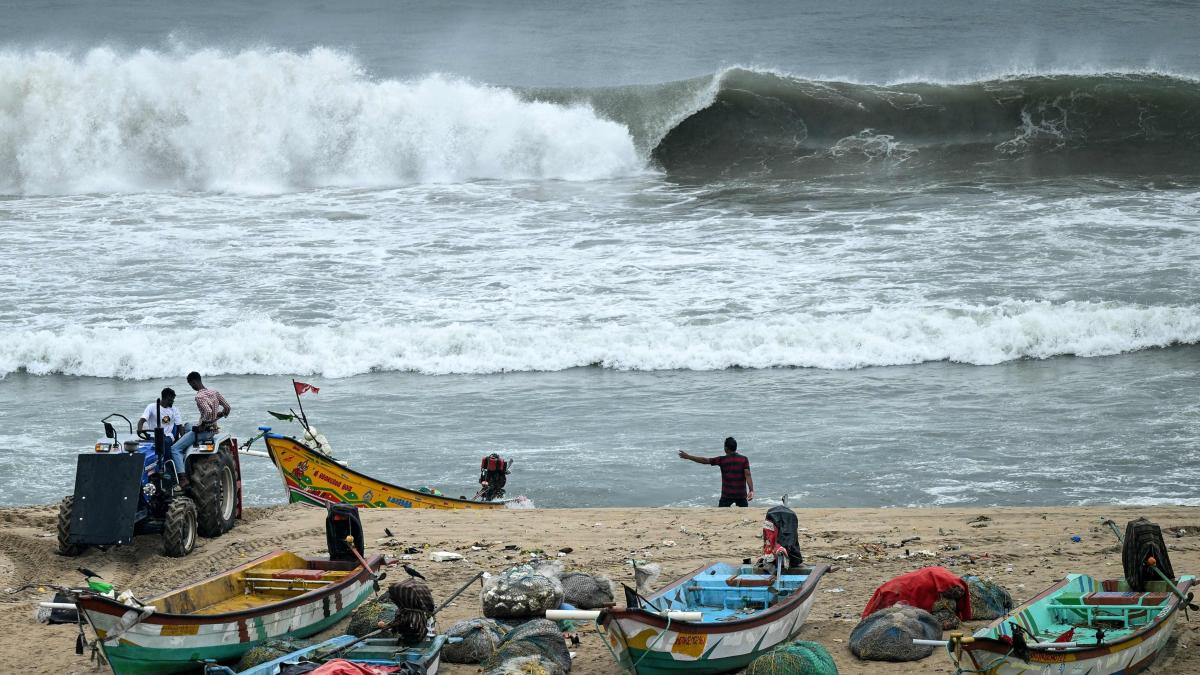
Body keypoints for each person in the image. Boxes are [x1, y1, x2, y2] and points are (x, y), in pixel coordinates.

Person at [169, 372, 231, 489]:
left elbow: (208, 412)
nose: (191, 387)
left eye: (190, 384)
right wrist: (219, 415)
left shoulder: (199, 397)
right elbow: (227, 407)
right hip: (213, 430)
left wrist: (202, 425)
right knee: (188, 426)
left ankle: (183, 478)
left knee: (175, 449)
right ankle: (187, 461)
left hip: (203, 432)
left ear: (193, 382)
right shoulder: (214, 392)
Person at [678, 436, 754, 507]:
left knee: (721, 512)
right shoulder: (744, 459)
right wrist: (751, 490)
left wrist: (689, 457)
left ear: (726, 448)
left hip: (727, 494)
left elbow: (705, 460)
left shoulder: (722, 460)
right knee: (744, 514)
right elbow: (748, 475)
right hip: (740, 494)